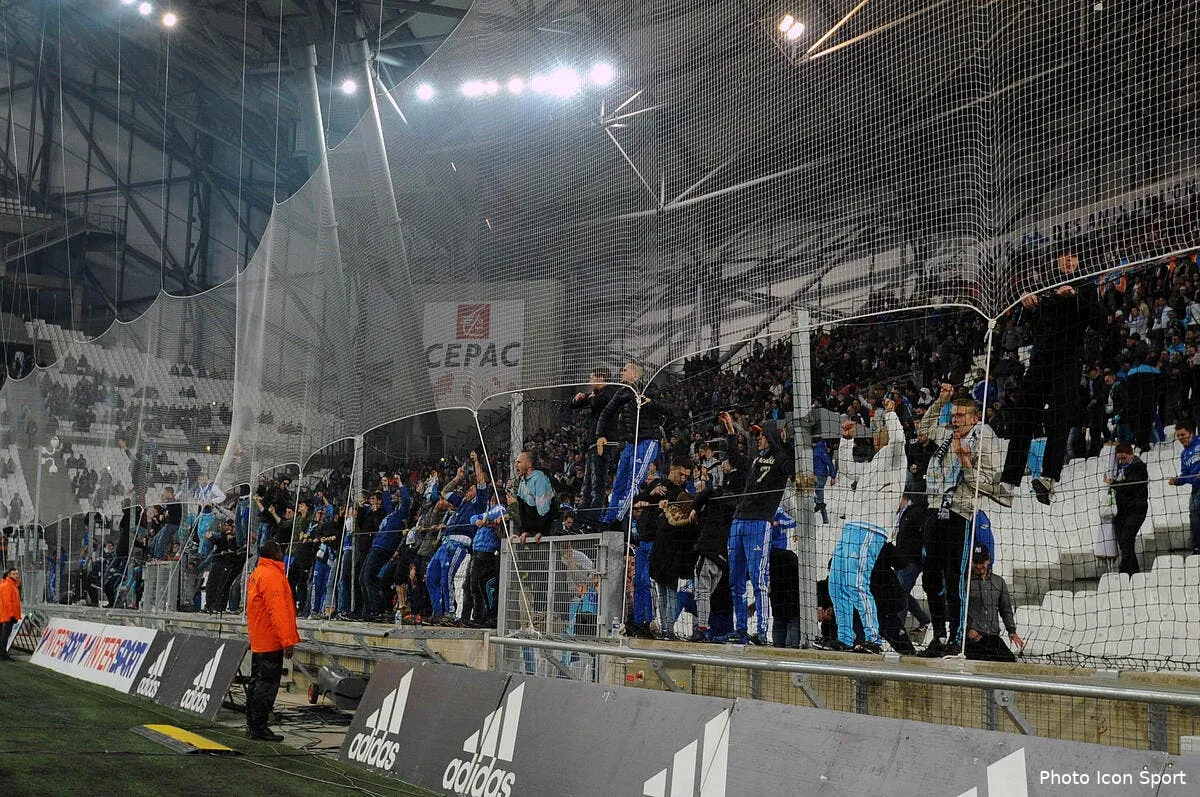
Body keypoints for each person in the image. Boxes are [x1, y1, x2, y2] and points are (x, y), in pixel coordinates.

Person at [998, 245, 1103, 505]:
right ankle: (1009, 480)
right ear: (1056, 259)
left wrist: (1076, 296)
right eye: (1064, 255)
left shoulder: (1086, 286)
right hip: (1041, 358)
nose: (1069, 260)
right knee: (1024, 413)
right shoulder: (1043, 286)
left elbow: (1100, 323)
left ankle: (1049, 477)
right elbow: (1024, 318)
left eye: (1074, 256)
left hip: (1068, 360)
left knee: (1060, 414)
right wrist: (1026, 301)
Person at [918, 395, 1003, 657]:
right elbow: (923, 429)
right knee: (931, 579)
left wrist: (965, 461)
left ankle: (957, 636)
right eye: (953, 414)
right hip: (935, 511)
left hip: (960, 514)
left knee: (955, 579)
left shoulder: (981, 443)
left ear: (974, 419)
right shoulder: (945, 436)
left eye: (961, 415)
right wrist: (939, 401)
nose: (955, 419)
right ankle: (939, 635)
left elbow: (986, 483)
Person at [721, 411, 794, 645]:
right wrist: (731, 433)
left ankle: (762, 632)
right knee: (735, 580)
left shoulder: (782, 459)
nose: (758, 439)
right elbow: (735, 459)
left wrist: (786, 441)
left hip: (759, 522)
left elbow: (793, 466)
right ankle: (740, 629)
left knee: (759, 579)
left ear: (772, 436)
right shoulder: (754, 459)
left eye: (761, 435)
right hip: (738, 521)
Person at [596, 362, 669, 528]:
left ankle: (618, 518)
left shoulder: (650, 389)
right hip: (630, 443)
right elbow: (606, 412)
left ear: (635, 374)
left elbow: (669, 409)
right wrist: (599, 435)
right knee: (618, 482)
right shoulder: (622, 392)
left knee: (634, 481)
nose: (621, 372)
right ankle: (609, 517)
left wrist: (649, 402)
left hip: (648, 441)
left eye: (625, 370)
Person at [245, 541, 300, 741]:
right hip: (270, 640)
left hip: (259, 638)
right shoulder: (272, 577)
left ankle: (252, 724)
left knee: (256, 682)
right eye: (280, 551)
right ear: (274, 553)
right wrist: (287, 640)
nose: (282, 554)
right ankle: (259, 727)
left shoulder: (258, 574)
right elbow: (278, 612)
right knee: (266, 685)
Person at [572, 368, 619, 526]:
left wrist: (590, 397)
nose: (589, 382)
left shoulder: (611, 391)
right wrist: (577, 399)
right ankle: (581, 520)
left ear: (601, 378)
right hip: (593, 444)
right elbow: (576, 404)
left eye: (591, 378)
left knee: (597, 485)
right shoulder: (597, 394)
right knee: (587, 487)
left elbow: (596, 401)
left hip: (604, 443)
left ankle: (592, 521)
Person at [964, 545, 1025, 662]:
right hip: (972, 638)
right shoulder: (965, 581)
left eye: (981, 562)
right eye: (975, 562)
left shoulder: (998, 582)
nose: (978, 566)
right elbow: (958, 609)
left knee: (1010, 661)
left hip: (992, 636)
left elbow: (1005, 609)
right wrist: (968, 628)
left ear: (988, 560)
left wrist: (1011, 631)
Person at [1105, 443, 1149, 575]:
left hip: (1136, 509)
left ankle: (1125, 571)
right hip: (1122, 511)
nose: (1121, 461)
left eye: (1124, 458)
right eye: (1119, 459)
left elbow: (1130, 487)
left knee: (1126, 539)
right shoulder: (1119, 467)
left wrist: (1113, 484)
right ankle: (1133, 572)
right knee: (1124, 543)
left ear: (1131, 454)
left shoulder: (1138, 466)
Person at [1168, 422, 1200, 555]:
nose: (1181, 438)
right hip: (1196, 490)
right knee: (1194, 518)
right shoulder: (1184, 454)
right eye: (1178, 435)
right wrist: (1177, 481)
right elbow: (1186, 475)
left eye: (1183, 434)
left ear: (1191, 433)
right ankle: (1197, 548)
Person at [0, 567, 21, 659]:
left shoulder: (10, 585)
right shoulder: (8, 585)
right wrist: (12, 615)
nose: (16, 575)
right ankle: (3, 654)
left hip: (5, 614)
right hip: (7, 615)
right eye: (13, 574)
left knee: (3, 634)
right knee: (5, 635)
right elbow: (8, 602)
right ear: (8, 574)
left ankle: (3, 653)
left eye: (16, 573)